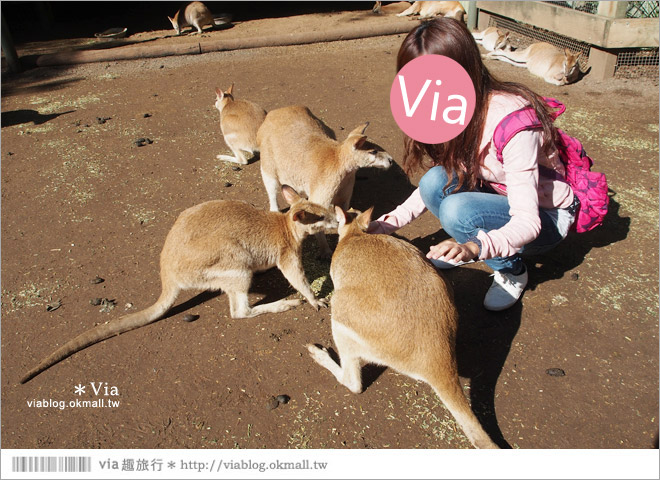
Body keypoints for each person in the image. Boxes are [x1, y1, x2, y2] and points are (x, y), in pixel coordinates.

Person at [369, 18, 580, 311]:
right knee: (433, 181)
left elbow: (527, 221)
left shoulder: (512, 124)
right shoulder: (455, 112)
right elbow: (450, 175)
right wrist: (388, 223)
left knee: (458, 212)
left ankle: (511, 269)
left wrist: (473, 247)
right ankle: (474, 239)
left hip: (546, 216)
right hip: (498, 194)